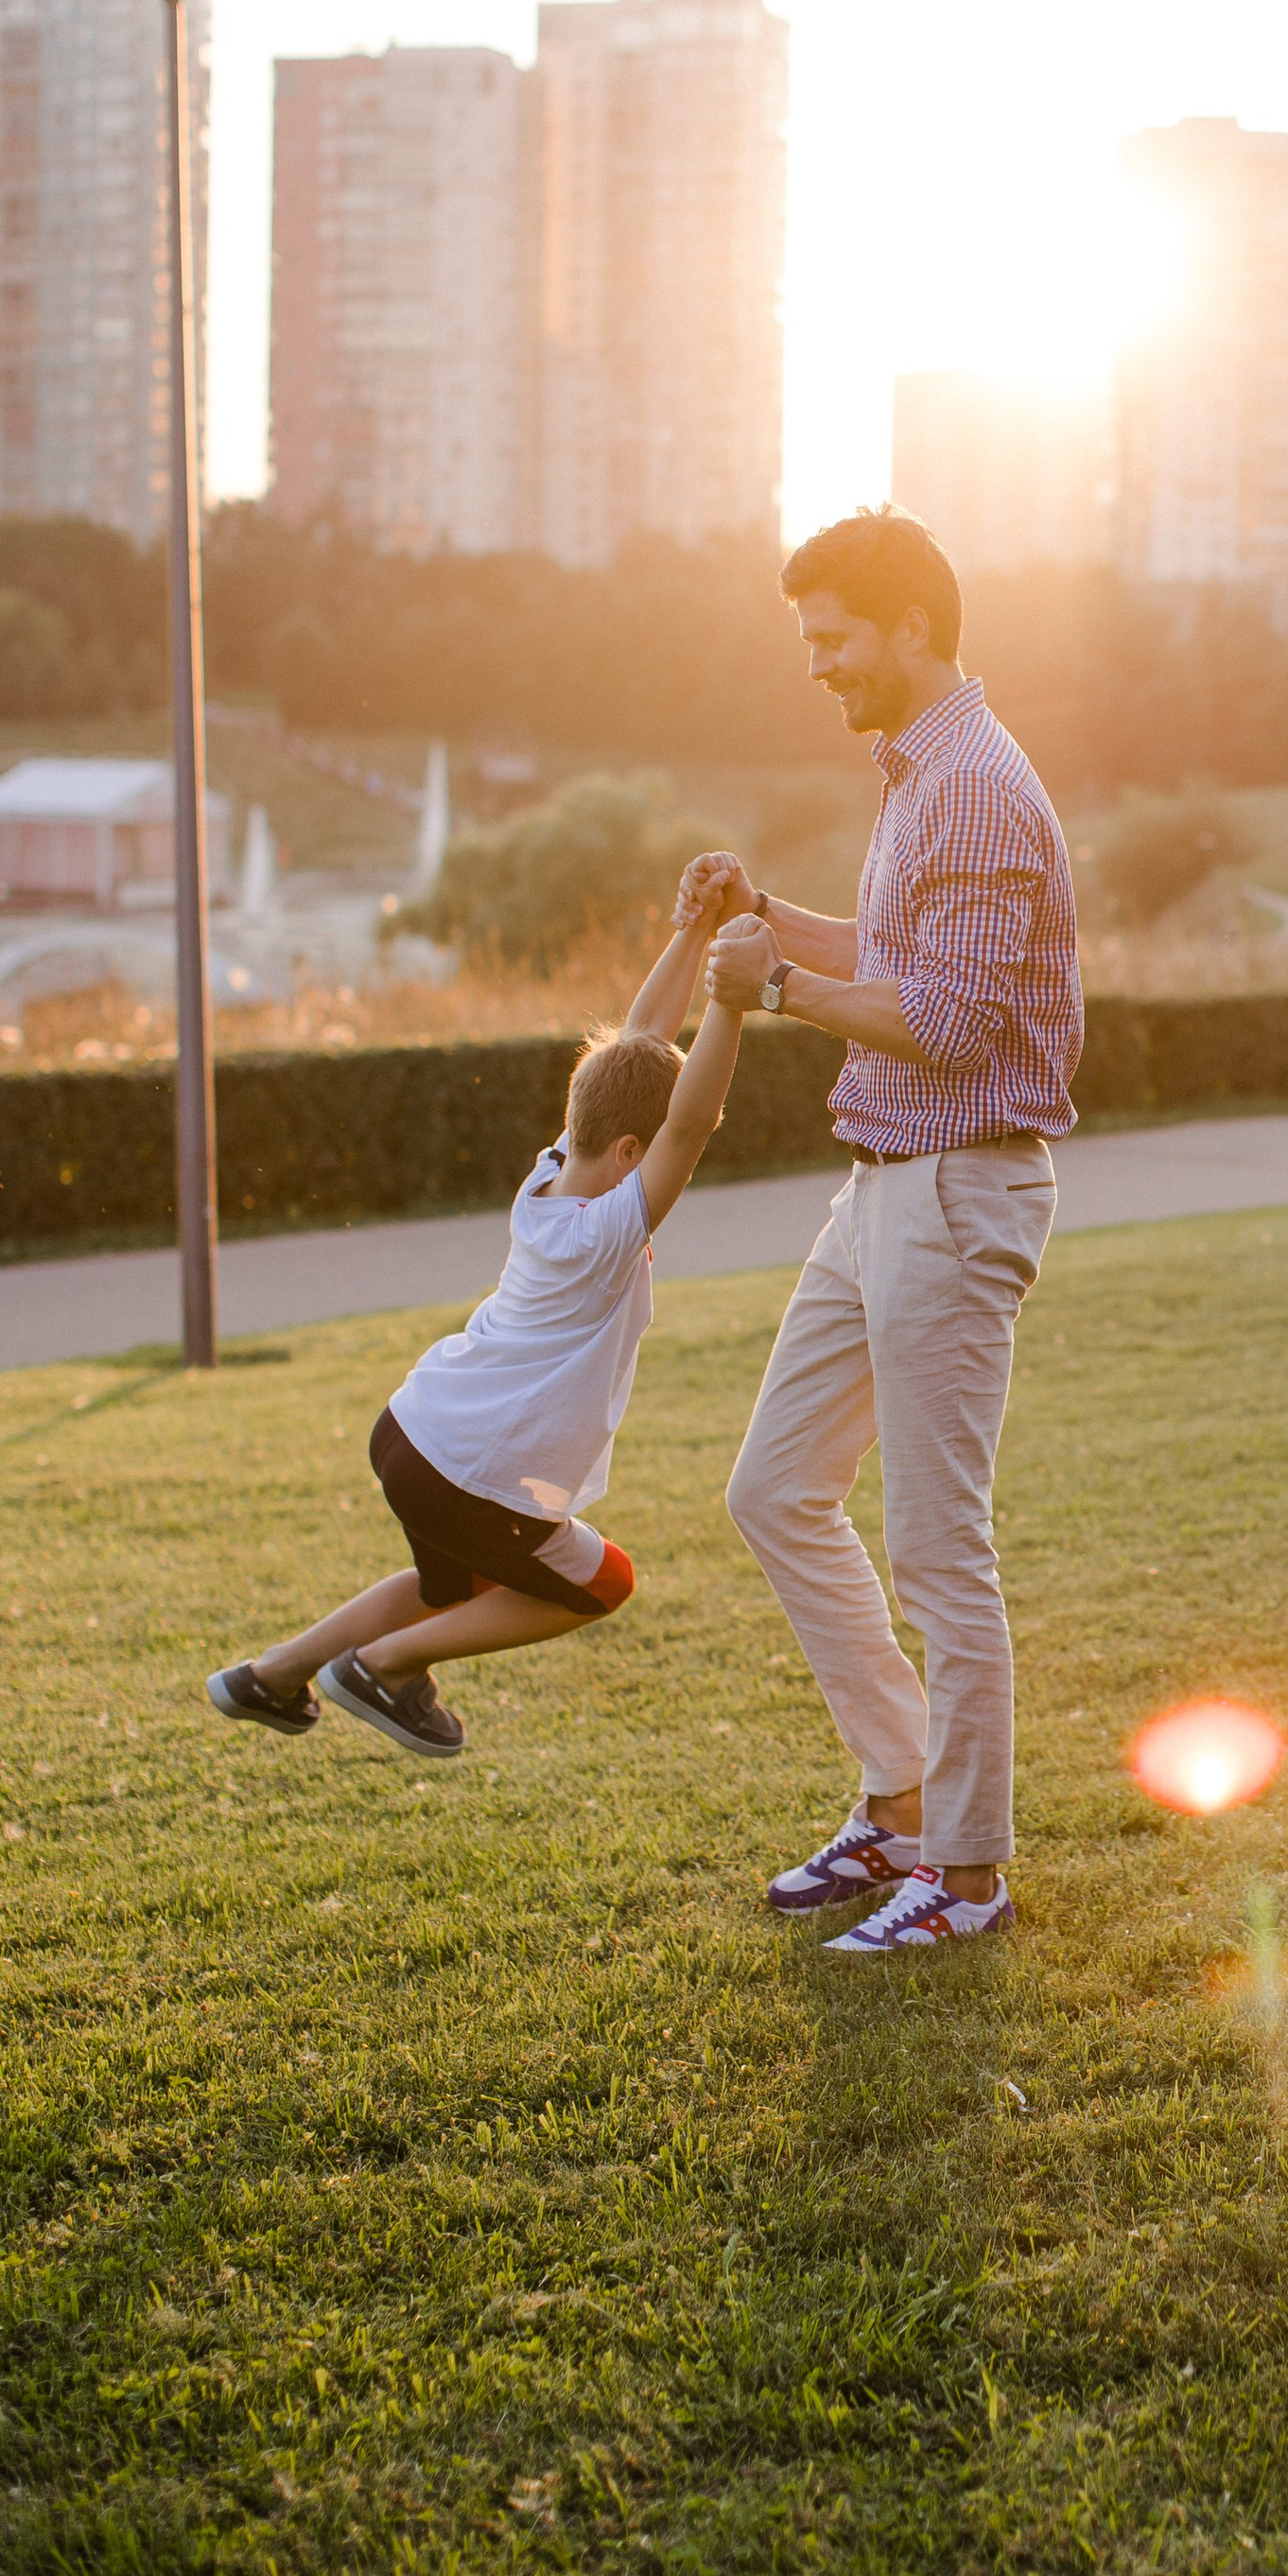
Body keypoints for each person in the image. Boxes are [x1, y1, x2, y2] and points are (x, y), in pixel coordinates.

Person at [682, 506, 1080, 1960]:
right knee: (776, 1488)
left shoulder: (970, 786)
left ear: (912, 626)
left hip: (958, 1189)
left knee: (937, 1547)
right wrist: (768, 916)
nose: (820, 666)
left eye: (834, 638)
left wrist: (775, 992)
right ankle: (902, 1804)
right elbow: (902, 956)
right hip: (883, 1189)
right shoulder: (922, 772)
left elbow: (951, 1021)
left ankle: (965, 1874)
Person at [203, 882, 746, 1759]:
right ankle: (381, 1667)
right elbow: (692, 1122)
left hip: (411, 1433)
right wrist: (733, 995)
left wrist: (695, 929)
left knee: (447, 1590)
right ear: (629, 1155)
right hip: (470, 1473)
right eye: (651, 1157)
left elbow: (641, 1043)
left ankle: (270, 1675)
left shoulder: (549, 1175)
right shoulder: (606, 1231)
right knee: (605, 1582)